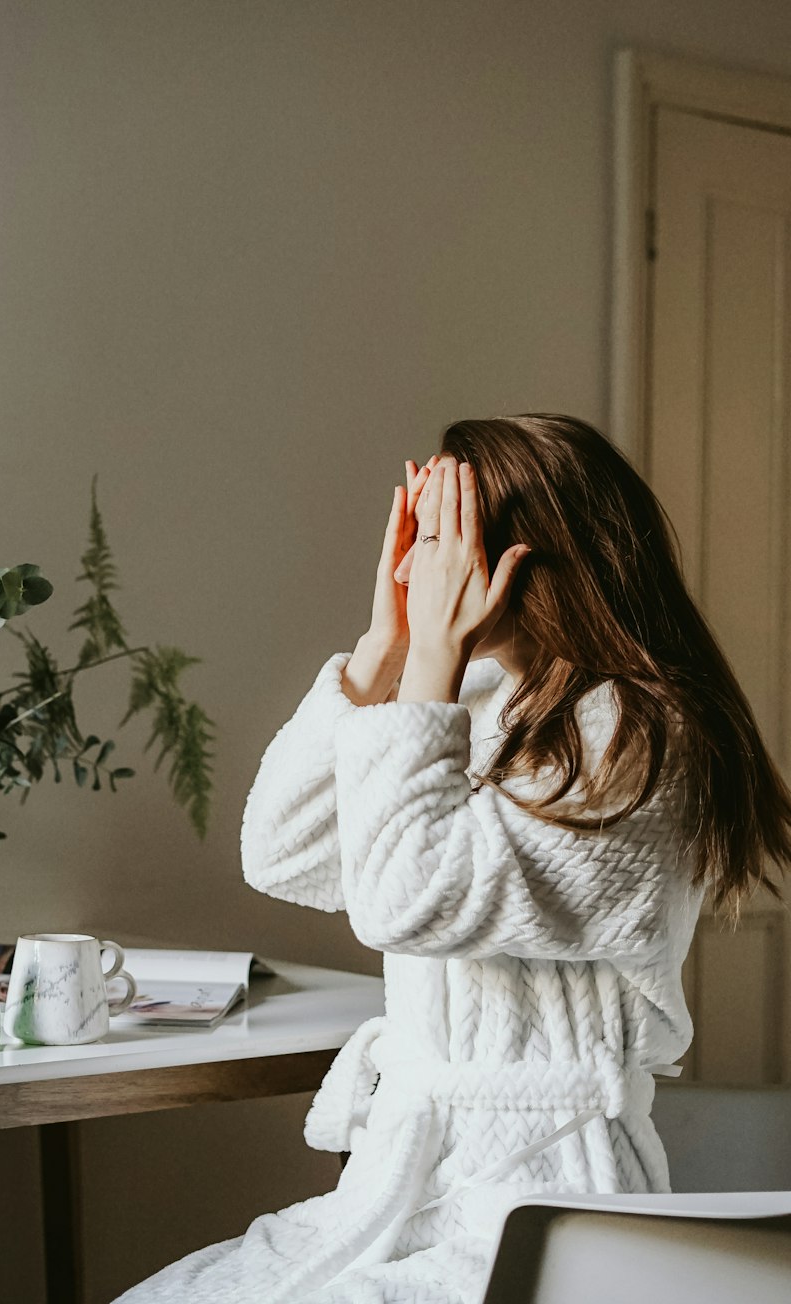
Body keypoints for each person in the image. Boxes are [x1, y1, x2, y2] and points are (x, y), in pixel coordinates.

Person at [115, 413, 791, 1303]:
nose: (419, 566)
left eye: (443, 540)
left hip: (546, 1193)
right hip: (402, 1182)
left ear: (524, 556)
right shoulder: (468, 699)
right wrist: (385, 653)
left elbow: (406, 900)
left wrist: (428, 665)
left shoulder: (635, 734)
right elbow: (283, 852)